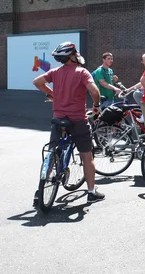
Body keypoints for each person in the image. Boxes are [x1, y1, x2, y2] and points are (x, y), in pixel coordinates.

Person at [32, 42, 105, 204]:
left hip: (58, 119)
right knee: (87, 155)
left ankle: (40, 191)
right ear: (72, 56)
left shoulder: (56, 72)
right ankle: (91, 192)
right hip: (78, 119)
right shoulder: (82, 72)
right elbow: (94, 91)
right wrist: (96, 106)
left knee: (52, 152)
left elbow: (37, 81)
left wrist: (52, 93)